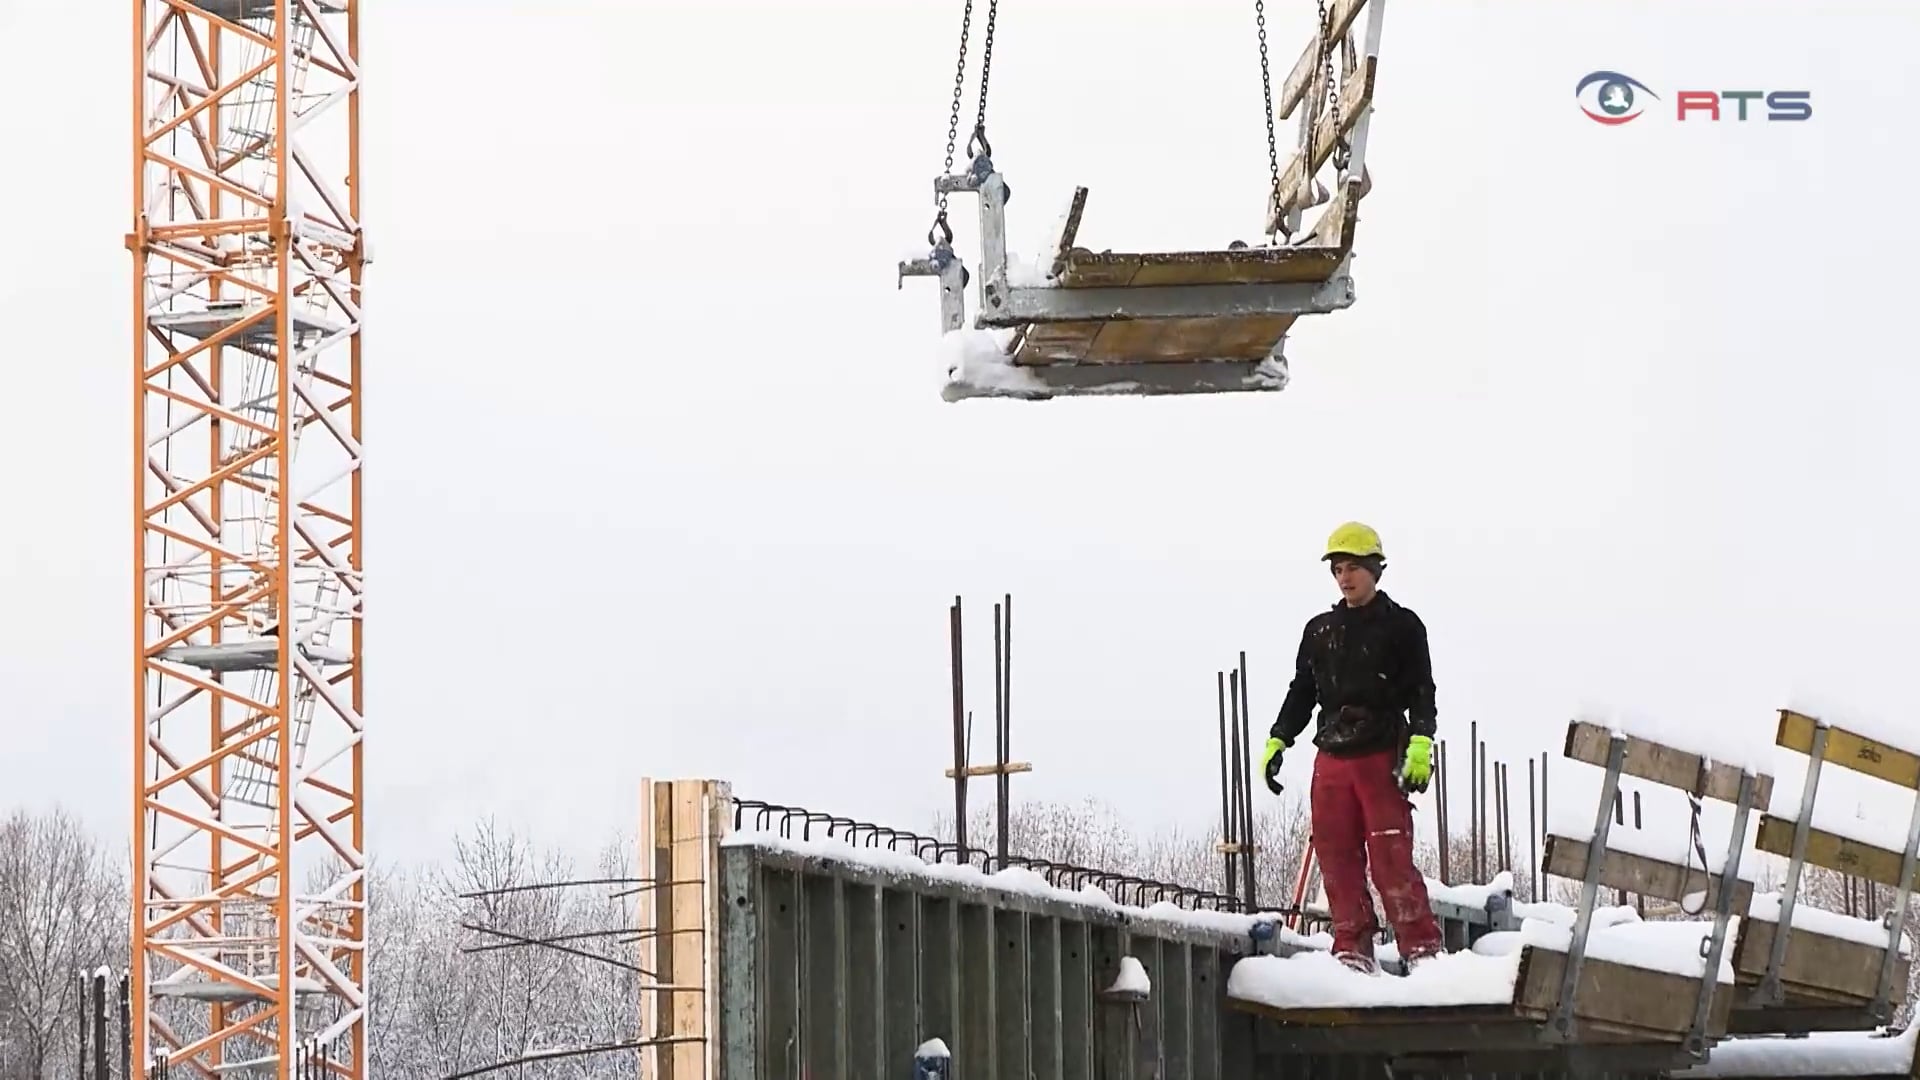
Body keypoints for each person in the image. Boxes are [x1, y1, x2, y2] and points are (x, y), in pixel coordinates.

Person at [1259, 521, 1443, 974]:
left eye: (1353, 568)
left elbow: (1422, 689)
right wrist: (1279, 737)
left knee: (1389, 857)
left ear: (1375, 569)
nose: (1345, 577)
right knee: (1335, 854)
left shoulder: (1402, 626)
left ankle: (1420, 949)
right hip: (1333, 757)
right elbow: (1303, 690)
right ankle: (1351, 946)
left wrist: (1421, 739)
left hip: (1380, 752)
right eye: (1338, 569)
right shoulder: (1320, 631)